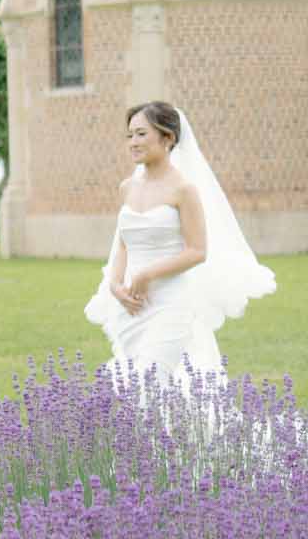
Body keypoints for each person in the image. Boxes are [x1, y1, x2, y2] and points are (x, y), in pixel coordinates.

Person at [84, 101, 275, 382]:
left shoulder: (183, 190)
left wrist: (148, 274)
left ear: (168, 138)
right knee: (135, 387)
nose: (133, 142)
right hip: (131, 307)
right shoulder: (127, 188)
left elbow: (198, 251)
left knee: (150, 382)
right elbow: (124, 242)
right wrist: (115, 284)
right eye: (130, 135)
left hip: (170, 304)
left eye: (141, 134)